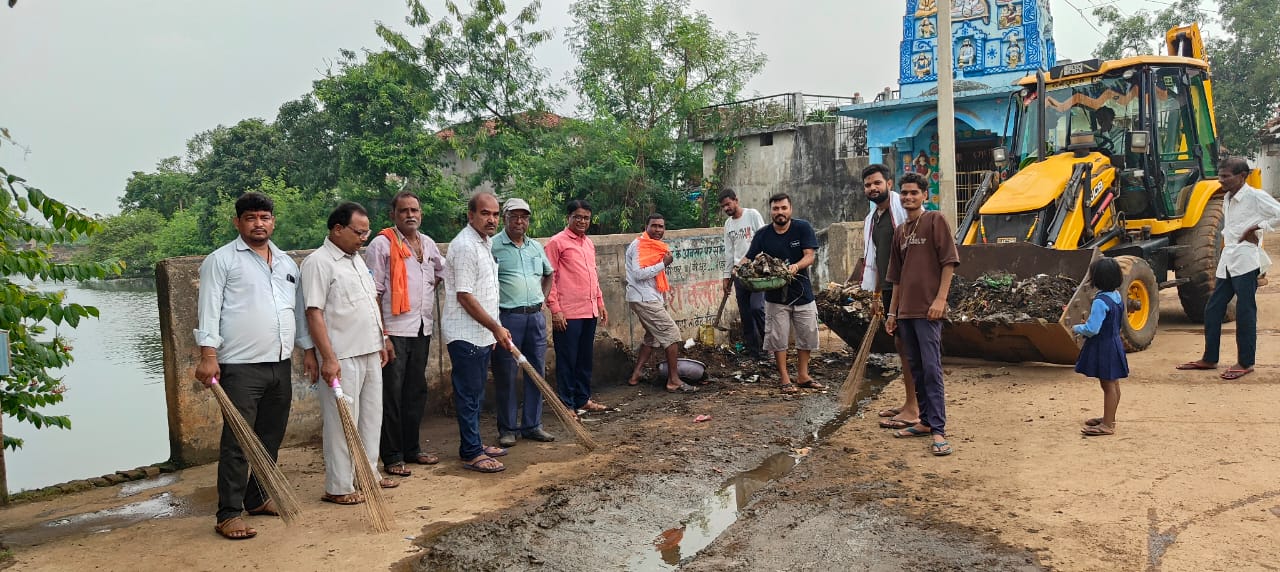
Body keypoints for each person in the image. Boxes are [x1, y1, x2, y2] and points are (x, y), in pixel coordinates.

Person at [194, 192, 316, 540]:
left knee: (270, 436)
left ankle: (258, 497)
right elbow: (208, 309)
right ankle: (228, 514)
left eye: (264, 217)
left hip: (279, 363)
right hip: (239, 365)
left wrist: (307, 350)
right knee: (237, 441)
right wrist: (208, 355)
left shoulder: (287, 263)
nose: (258, 224)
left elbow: (297, 312)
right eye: (250, 218)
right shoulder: (221, 261)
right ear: (238, 222)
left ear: (273, 222)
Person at [302, 202, 397, 505]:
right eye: (358, 232)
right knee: (342, 422)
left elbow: (370, 303)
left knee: (371, 417)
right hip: (341, 355)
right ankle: (339, 486)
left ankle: (368, 475)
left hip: (369, 349)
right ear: (337, 229)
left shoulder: (357, 260)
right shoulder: (318, 263)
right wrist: (328, 358)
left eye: (366, 232)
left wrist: (382, 339)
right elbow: (313, 312)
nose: (363, 238)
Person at [364, 191, 444, 479]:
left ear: (421, 213)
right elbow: (373, 293)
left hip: (421, 327)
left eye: (415, 210)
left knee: (415, 392)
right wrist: (383, 335)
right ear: (393, 215)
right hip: (394, 331)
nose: (410, 215)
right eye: (404, 211)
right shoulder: (381, 244)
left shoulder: (428, 243)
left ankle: (412, 448)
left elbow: (441, 273)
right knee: (391, 395)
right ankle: (392, 455)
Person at [1177, 158, 1280, 380]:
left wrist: (1257, 227)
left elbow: (1278, 213)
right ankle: (1209, 358)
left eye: (1226, 176)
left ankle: (1245, 362)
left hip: (1246, 260)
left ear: (1242, 176)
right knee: (1213, 309)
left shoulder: (1254, 196)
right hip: (1228, 260)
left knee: (1245, 311)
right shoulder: (1227, 197)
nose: (1221, 180)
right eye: (1220, 175)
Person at [885, 172, 960, 457]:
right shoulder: (900, 232)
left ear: (924, 195)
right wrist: (892, 312)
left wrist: (940, 300)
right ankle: (925, 422)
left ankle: (939, 429)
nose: (908, 197)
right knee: (916, 368)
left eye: (914, 192)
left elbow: (949, 262)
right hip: (905, 312)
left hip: (929, 310)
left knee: (931, 368)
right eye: (904, 193)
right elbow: (897, 277)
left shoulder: (934, 220)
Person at [442, 192, 513, 473]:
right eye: (485, 213)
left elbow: (487, 292)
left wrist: (493, 330)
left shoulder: (484, 243)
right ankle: (471, 452)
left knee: (477, 393)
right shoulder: (464, 246)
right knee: (469, 395)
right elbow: (465, 295)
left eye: (495, 214)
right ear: (471, 215)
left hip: (482, 333)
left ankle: (474, 443)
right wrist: (495, 327)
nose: (491, 219)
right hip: (466, 334)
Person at [850, 164, 917, 430]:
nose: (872, 188)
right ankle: (910, 401)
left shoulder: (902, 211)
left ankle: (914, 408)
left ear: (889, 184)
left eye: (877, 183)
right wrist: (877, 295)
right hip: (889, 289)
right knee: (901, 345)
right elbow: (878, 260)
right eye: (868, 185)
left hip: (908, 288)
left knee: (909, 345)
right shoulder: (874, 219)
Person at [490, 198, 557, 448]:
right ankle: (508, 428)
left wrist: (543, 299)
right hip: (508, 318)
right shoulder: (493, 246)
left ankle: (532, 425)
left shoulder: (535, 247)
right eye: (514, 216)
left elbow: (549, 273)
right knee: (506, 373)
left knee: (536, 371)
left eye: (524, 217)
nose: (520, 221)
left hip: (535, 318)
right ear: (505, 218)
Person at [742, 193, 824, 395]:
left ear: (790, 209)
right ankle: (785, 378)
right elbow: (748, 258)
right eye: (776, 209)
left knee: (807, 334)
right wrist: (736, 270)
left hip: (802, 292)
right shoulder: (763, 235)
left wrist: (796, 267)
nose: (780, 212)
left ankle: (803, 375)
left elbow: (810, 256)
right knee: (778, 338)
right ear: (771, 211)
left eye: (783, 208)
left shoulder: (802, 228)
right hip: (775, 296)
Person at [545, 199, 610, 415]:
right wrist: (555, 309)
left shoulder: (588, 243)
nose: (582, 221)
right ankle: (566, 404)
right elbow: (549, 278)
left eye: (586, 218)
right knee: (567, 360)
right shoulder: (556, 243)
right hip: (568, 313)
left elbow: (593, 275)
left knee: (584, 358)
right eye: (578, 217)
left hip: (589, 310)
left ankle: (583, 399)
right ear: (569, 218)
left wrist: (600, 302)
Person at [624, 213, 700, 393]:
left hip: (646, 297)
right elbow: (638, 274)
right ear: (646, 226)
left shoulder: (654, 246)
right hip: (644, 298)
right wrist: (663, 264)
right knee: (671, 334)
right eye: (654, 226)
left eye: (661, 226)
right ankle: (673, 380)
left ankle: (636, 374)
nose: (658, 230)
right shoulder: (639, 245)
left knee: (652, 336)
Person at [1074, 257, 1128, 437]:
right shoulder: (1116, 296)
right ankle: (1109, 418)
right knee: (1114, 383)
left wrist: (1077, 328)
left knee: (1107, 385)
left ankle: (1107, 425)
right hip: (1114, 342)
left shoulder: (1100, 301)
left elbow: (1092, 329)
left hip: (1103, 347)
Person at [719, 188, 767, 359]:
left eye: (728, 204)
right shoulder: (728, 224)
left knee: (757, 308)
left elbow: (764, 239)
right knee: (745, 313)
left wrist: (762, 264)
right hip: (739, 275)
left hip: (757, 272)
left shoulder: (752, 215)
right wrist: (726, 277)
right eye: (723, 206)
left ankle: (769, 347)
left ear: (736, 200)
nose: (726, 208)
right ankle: (753, 351)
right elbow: (729, 252)